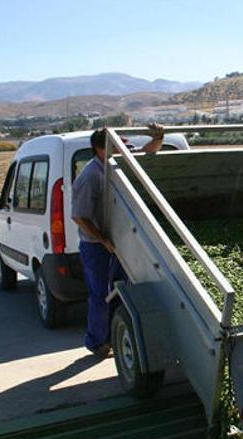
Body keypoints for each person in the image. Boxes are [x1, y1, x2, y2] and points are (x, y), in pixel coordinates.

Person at [71, 124, 164, 358]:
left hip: (122, 240)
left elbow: (149, 151)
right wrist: (102, 240)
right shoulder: (90, 176)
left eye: (121, 144)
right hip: (96, 246)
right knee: (100, 293)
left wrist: (159, 136)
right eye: (113, 146)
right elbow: (79, 217)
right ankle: (96, 342)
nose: (120, 149)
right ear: (98, 149)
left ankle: (114, 335)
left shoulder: (120, 162)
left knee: (122, 292)